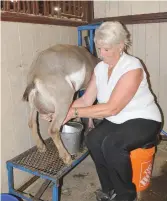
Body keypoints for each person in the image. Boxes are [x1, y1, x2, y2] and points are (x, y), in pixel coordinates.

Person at [44, 21, 162, 201]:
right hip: (118, 119)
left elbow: (112, 108)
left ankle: (125, 195)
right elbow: (85, 100)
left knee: (113, 145)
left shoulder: (133, 67)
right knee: (93, 139)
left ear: (121, 45)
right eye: (99, 49)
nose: (101, 54)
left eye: (106, 49)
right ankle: (109, 189)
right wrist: (58, 112)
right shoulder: (99, 68)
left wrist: (73, 113)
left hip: (143, 118)